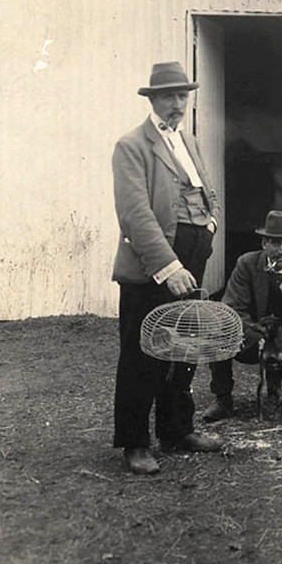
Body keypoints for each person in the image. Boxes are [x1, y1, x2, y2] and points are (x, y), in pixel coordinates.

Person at [111, 61, 223, 475]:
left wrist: (211, 224)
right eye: (169, 96)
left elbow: (206, 191)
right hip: (154, 264)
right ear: (153, 100)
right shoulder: (131, 145)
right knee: (144, 350)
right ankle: (135, 443)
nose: (177, 103)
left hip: (193, 256)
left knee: (184, 347)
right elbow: (135, 214)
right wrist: (168, 266)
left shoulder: (188, 141)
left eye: (182, 95)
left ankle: (177, 429)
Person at [204, 211, 282, 418]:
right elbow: (232, 309)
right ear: (264, 244)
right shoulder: (246, 264)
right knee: (218, 336)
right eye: (275, 243)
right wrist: (256, 337)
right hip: (251, 339)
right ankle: (223, 398)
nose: (281, 250)